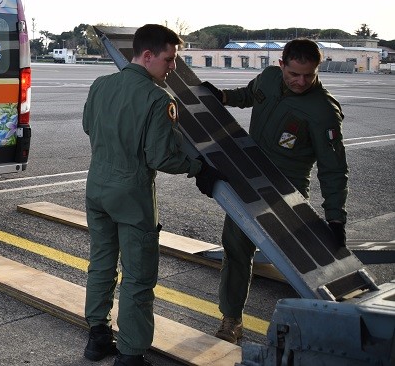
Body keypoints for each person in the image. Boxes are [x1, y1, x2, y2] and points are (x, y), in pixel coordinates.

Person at [82, 24, 222, 366]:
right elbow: (160, 157)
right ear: (148, 56)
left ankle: (97, 337)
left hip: (97, 187)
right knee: (139, 277)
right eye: (169, 59)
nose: (172, 67)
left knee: (101, 263)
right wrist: (198, 167)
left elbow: (89, 126)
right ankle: (130, 353)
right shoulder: (159, 99)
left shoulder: (101, 85)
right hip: (132, 196)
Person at [202, 38, 347, 344]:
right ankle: (231, 319)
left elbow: (332, 169)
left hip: (288, 195)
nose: (301, 81)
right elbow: (249, 95)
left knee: (299, 264)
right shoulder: (269, 78)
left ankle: (317, 331)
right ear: (282, 65)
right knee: (236, 250)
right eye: (294, 73)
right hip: (248, 180)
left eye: (309, 75)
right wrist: (223, 96)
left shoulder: (323, 111)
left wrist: (335, 219)